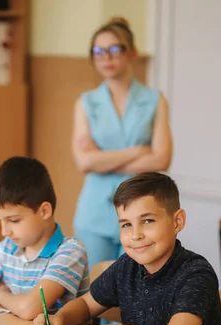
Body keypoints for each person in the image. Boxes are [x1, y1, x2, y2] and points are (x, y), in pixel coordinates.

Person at [34, 172, 221, 325]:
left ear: (177, 222)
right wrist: (59, 318)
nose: (136, 235)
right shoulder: (128, 265)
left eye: (147, 221)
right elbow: (86, 305)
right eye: (126, 224)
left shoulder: (196, 274)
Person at [72, 17, 173, 268]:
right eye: (98, 51)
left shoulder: (154, 100)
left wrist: (102, 159)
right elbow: (84, 161)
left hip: (142, 209)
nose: (106, 57)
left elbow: (161, 159)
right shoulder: (86, 103)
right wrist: (138, 151)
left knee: (138, 291)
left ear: (132, 54)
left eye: (114, 49)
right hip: (95, 212)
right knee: (96, 292)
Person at [0, 156, 89, 320]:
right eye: (0, 220)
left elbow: (30, 309)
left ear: (44, 211)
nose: (4, 231)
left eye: (13, 221)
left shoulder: (70, 252)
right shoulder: (9, 248)